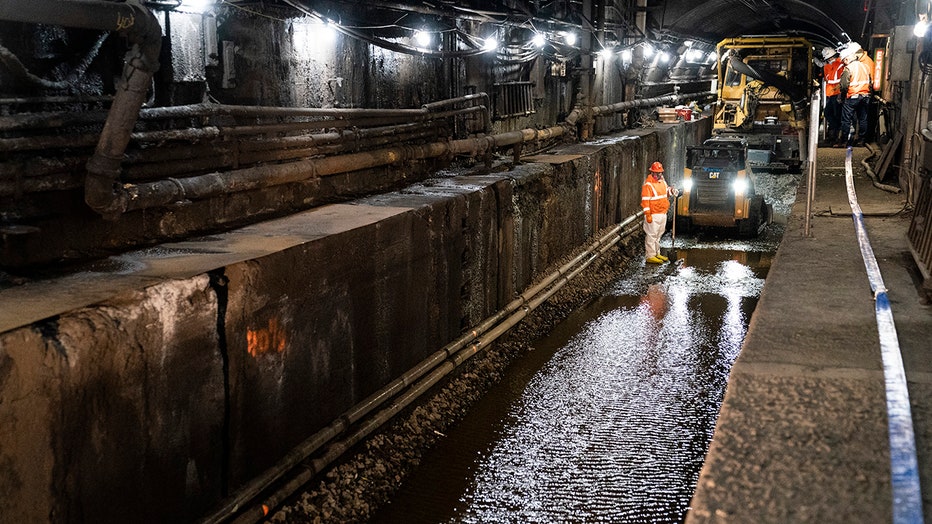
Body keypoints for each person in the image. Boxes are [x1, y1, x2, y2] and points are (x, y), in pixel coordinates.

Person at [641, 161, 678, 264]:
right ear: (652, 173)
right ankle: (650, 255)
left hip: (662, 213)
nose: (658, 175)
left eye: (660, 173)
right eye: (656, 173)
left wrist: (672, 191)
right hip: (653, 214)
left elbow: (666, 192)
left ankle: (657, 253)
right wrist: (647, 214)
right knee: (651, 235)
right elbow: (645, 201)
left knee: (658, 235)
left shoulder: (662, 182)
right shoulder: (648, 185)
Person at [839, 43, 871, 146]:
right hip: (865, 96)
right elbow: (870, 82)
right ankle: (861, 140)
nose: (844, 63)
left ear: (847, 59)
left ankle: (845, 141)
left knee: (846, 119)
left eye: (844, 60)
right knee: (863, 119)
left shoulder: (848, 68)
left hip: (852, 96)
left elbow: (844, 85)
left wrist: (842, 97)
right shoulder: (866, 66)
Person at [820, 47, 844, 146]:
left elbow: (840, 81)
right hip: (830, 94)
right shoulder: (828, 67)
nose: (829, 60)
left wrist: (840, 94)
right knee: (828, 113)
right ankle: (834, 134)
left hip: (837, 94)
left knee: (836, 115)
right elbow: (827, 80)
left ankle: (836, 136)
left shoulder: (840, 65)